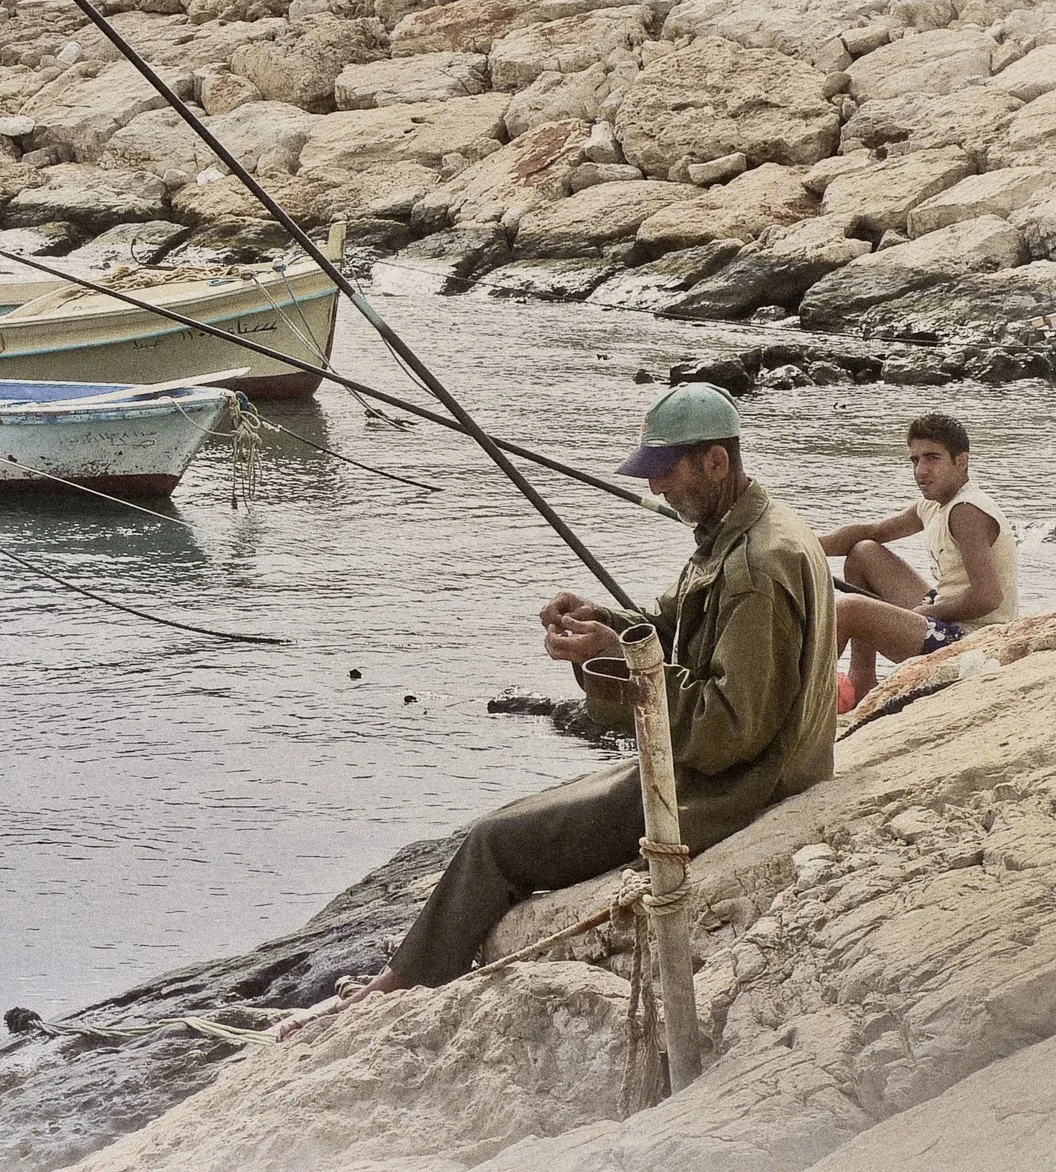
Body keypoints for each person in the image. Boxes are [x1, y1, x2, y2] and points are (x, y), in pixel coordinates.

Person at [335, 384, 838, 1008]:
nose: (656, 489)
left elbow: (729, 729)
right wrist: (604, 622)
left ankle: (398, 986)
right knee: (519, 819)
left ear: (716, 461)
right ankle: (416, 968)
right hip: (736, 771)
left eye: (666, 472)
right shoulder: (745, 532)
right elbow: (673, 623)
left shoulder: (756, 566)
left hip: (735, 789)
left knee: (495, 842)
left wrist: (613, 664)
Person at [818, 413, 1019, 701]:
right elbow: (872, 531)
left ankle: (810, 712)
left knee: (847, 609)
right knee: (864, 552)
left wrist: (927, 613)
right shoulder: (932, 505)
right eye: (915, 460)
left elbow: (988, 597)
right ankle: (862, 681)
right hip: (946, 614)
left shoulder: (967, 511)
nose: (921, 471)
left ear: (961, 461)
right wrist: (804, 545)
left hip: (975, 641)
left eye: (932, 458)